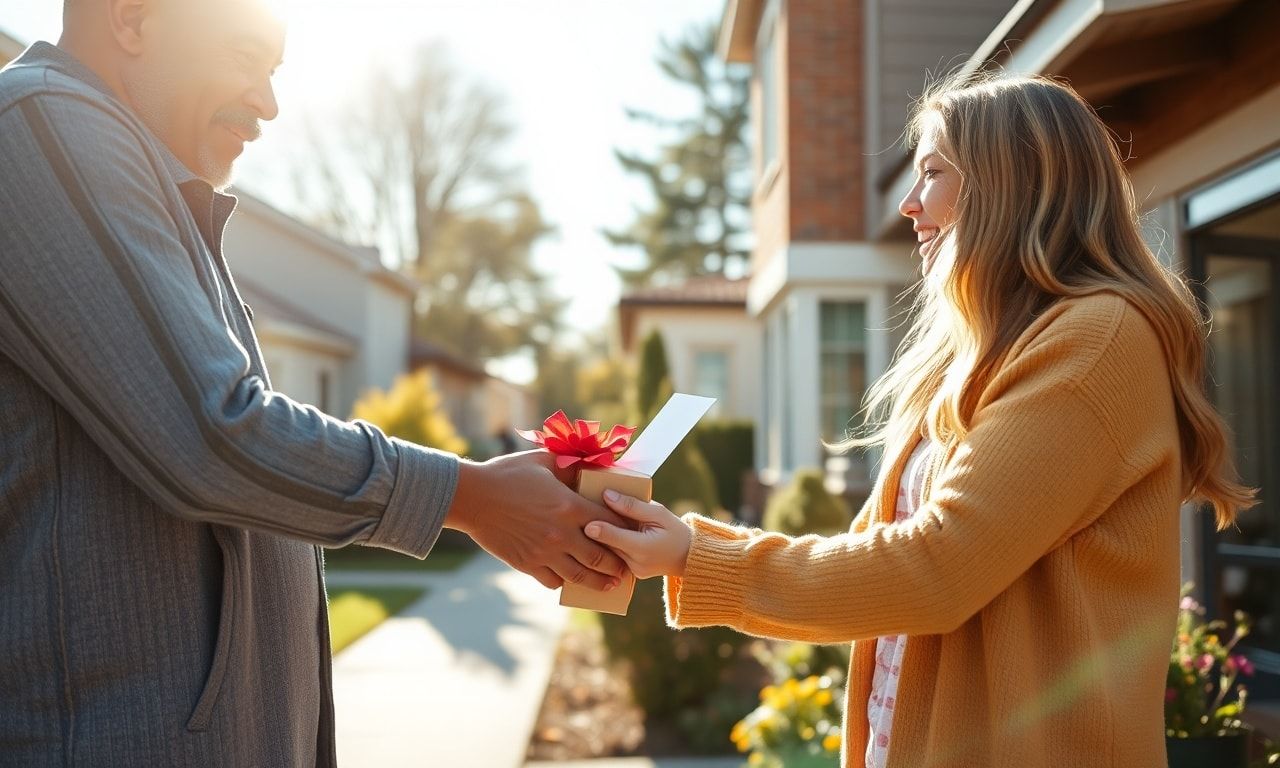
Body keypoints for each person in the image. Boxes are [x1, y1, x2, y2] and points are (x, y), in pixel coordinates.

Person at [0, 1, 628, 764]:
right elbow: (212, 434)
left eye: (274, 74)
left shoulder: (128, 171)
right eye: (244, 58)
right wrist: (472, 498)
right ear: (131, 19)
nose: (268, 105)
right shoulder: (43, 130)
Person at [584, 73, 1255, 767]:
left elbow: (933, 571)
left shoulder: (1098, 340)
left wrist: (699, 557)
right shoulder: (970, 359)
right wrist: (684, 550)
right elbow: (881, 566)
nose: (908, 204)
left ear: (1010, 183)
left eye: (932, 173)